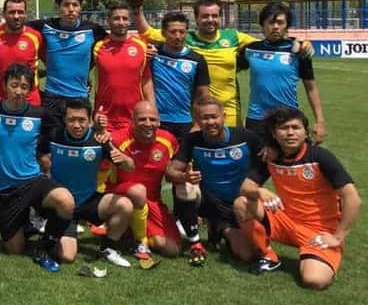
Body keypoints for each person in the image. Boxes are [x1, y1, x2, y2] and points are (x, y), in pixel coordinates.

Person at [235, 106, 360, 289]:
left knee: (314, 280)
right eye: (284, 128)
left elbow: (352, 198)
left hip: (319, 230)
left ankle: (315, 254)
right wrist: (260, 192)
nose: (290, 133)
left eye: (296, 127)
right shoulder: (271, 157)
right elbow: (245, 187)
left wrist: (338, 236)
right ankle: (268, 256)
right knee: (242, 203)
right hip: (285, 222)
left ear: (305, 132)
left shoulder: (320, 157)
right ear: (274, 134)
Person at [0, 63, 74, 271]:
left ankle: (45, 246)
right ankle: (28, 222)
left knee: (66, 201)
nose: (18, 91)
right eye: (14, 85)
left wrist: (98, 131)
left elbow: (62, 132)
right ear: (4, 85)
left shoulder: (39, 115)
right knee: (15, 249)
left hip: (32, 182)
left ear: (30, 90)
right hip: (3, 190)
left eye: (24, 87)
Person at [133, 0, 258, 126]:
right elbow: (147, 31)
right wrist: (138, 8)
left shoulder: (234, 37)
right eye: (205, 16)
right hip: (195, 112)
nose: (210, 19)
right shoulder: (184, 36)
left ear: (220, 17)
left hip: (229, 110)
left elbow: (264, 46)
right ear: (196, 18)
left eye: (214, 15)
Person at [167, 98, 262, 265]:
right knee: (184, 187)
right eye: (204, 118)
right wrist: (184, 177)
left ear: (223, 116)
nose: (210, 122)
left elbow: (268, 157)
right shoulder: (192, 140)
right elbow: (170, 172)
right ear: (197, 120)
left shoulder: (244, 136)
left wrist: (254, 181)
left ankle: (218, 229)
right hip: (208, 201)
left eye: (214, 117)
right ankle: (195, 243)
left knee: (249, 255)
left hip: (238, 204)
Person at [39, 98, 133, 267]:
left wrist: (124, 159)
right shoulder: (54, 136)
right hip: (63, 205)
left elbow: (130, 167)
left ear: (90, 120)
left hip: (88, 200)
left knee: (125, 205)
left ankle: (108, 248)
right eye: (71, 120)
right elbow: (37, 155)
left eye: (82, 120)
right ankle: (48, 234)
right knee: (67, 257)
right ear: (64, 120)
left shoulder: (99, 140)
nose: (77, 125)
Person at [106, 101, 180, 264]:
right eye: (142, 119)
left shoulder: (169, 141)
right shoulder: (117, 139)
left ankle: (131, 233)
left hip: (152, 200)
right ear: (132, 121)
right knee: (138, 190)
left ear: (159, 121)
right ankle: (140, 241)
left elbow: (178, 170)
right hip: (121, 196)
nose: (148, 123)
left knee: (171, 249)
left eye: (152, 119)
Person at [239, 2, 325, 141]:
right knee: (257, 156)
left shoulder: (300, 51)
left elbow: (311, 88)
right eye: (270, 22)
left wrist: (319, 122)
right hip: (256, 120)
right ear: (262, 25)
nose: (275, 27)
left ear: (287, 25)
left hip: (288, 119)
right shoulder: (250, 50)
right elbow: (229, 70)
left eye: (280, 22)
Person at [26, 0, 106, 126]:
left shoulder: (92, 30)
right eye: (66, 5)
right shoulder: (47, 26)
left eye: (75, 5)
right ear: (58, 7)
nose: (71, 9)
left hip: (79, 98)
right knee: (52, 138)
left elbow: (115, 41)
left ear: (80, 7)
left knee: (77, 137)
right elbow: (15, 25)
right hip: (52, 98)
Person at [92, 2, 154, 139]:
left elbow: (146, 81)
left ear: (130, 21)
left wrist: (152, 111)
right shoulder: (97, 47)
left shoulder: (142, 47)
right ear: (108, 20)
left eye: (125, 18)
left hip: (135, 119)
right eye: (116, 18)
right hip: (104, 119)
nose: (121, 22)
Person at [148, 12, 211, 142]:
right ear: (163, 33)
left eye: (182, 32)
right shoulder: (153, 55)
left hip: (185, 122)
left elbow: (203, 95)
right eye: (173, 32)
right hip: (157, 121)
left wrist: (197, 124)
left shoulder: (197, 60)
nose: (178, 36)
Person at [0, 0, 42, 107]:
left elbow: (48, 62)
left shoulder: (36, 36)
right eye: (11, 12)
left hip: (30, 101)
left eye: (20, 12)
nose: (16, 16)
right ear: (3, 14)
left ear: (25, 14)